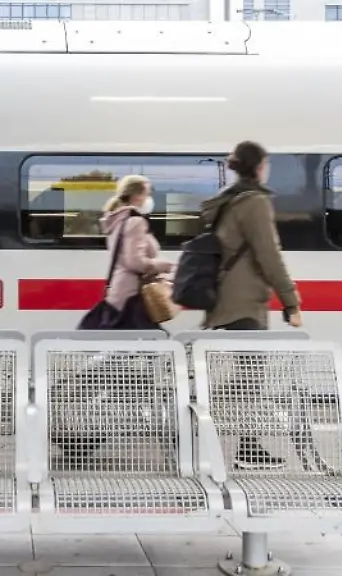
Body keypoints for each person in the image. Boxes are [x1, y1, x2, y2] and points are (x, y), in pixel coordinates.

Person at [200, 140, 302, 470]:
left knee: (242, 377)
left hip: (222, 299)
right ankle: (242, 445)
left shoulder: (226, 201)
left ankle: (216, 432)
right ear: (259, 167)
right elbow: (269, 255)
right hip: (245, 303)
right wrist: (291, 301)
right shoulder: (255, 202)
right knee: (250, 378)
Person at [98, 174, 175, 329]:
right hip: (133, 292)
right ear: (136, 196)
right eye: (147, 194)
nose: (149, 199)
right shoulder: (135, 221)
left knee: (134, 339)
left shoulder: (118, 219)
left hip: (122, 290)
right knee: (150, 338)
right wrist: (165, 266)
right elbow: (135, 262)